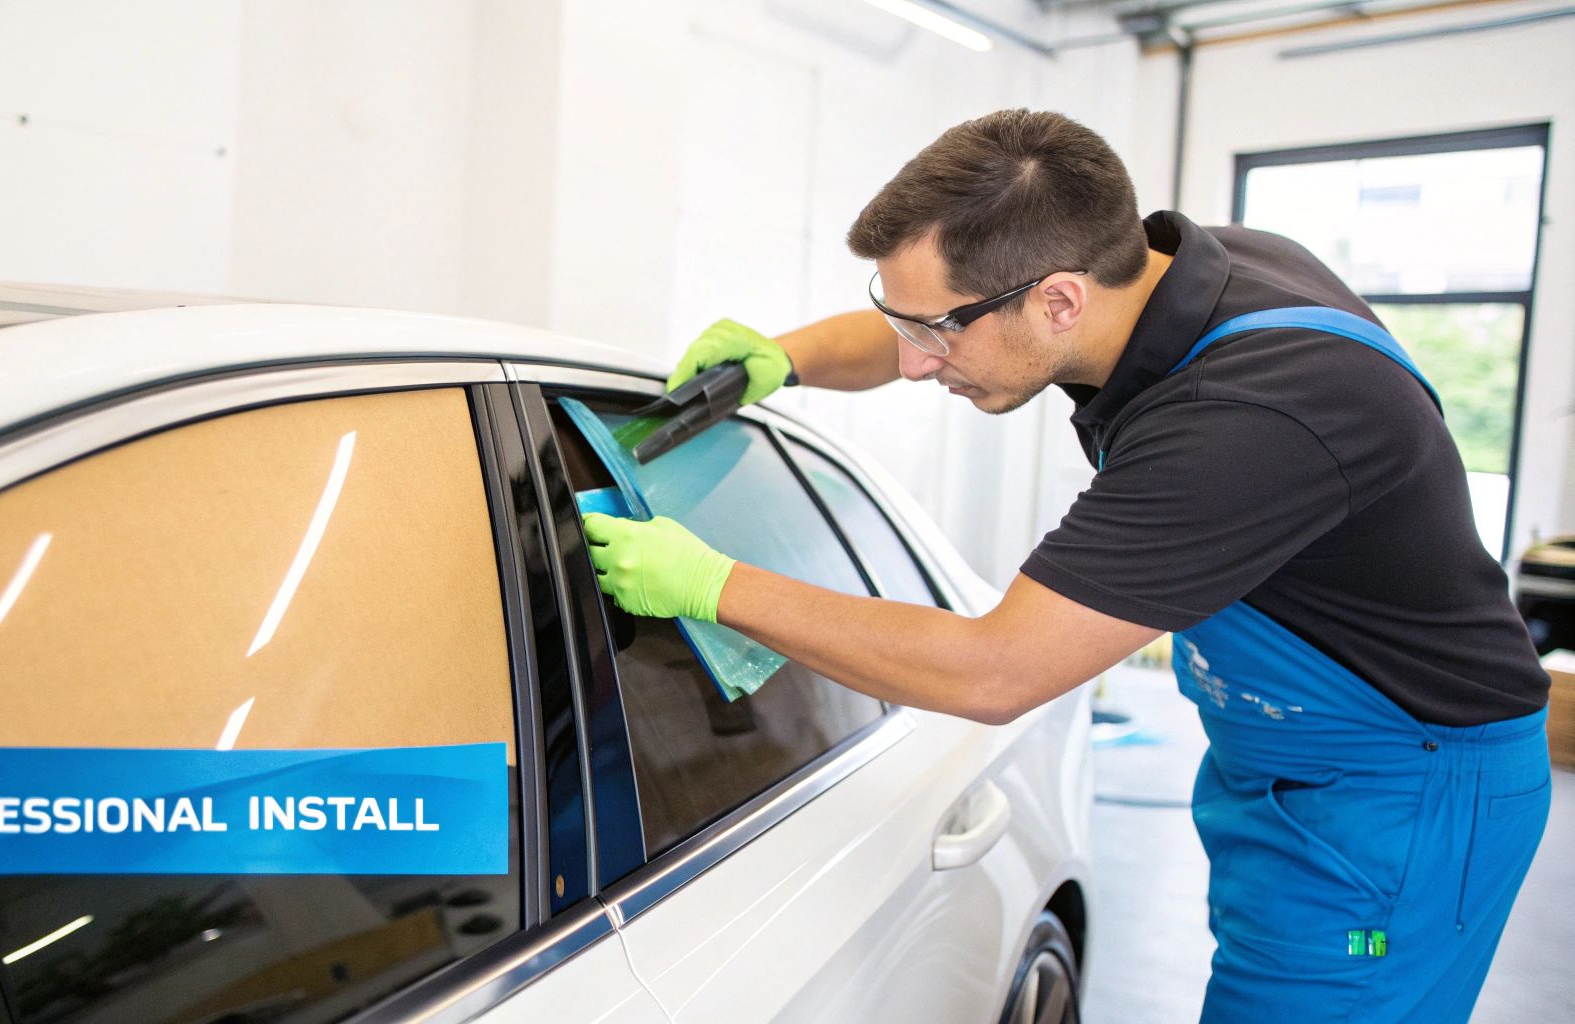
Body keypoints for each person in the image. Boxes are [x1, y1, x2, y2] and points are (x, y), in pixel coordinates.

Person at [579, 109, 1551, 1023]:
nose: (915, 361)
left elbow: (991, 668)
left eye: (934, 334)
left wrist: (717, 585)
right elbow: (937, 318)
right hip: (1295, 767)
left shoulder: (1239, 420)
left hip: (1399, 800)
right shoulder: (1152, 274)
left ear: (1057, 300)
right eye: (906, 324)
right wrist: (780, 360)